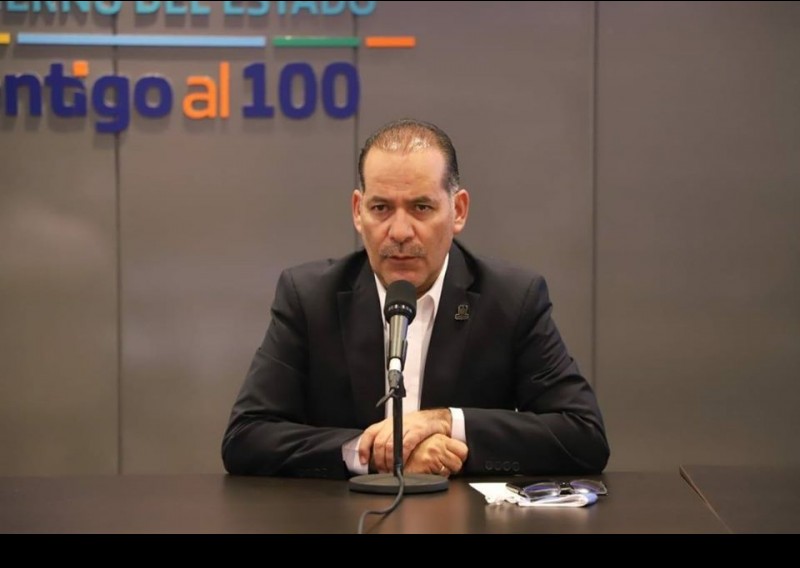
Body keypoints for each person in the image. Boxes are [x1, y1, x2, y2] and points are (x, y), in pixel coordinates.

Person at [222, 118, 609, 479]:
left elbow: (583, 435)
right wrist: (377, 454)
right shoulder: (310, 298)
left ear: (458, 211)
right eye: (381, 208)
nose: (400, 231)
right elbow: (246, 436)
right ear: (358, 212)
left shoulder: (509, 299)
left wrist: (446, 422)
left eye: (421, 207)